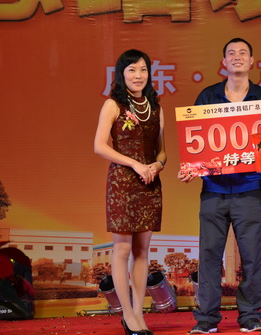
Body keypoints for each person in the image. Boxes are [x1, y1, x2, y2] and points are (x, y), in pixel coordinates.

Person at [179, 38, 261, 334]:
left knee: (251, 256)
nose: (237, 57)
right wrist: (191, 166)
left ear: (252, 61)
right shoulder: (207, 97)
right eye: (231, 53)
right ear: (223, 62)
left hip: (249, 188)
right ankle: (206, 319)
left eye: (243, 53)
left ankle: (250, 316)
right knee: (209, 255)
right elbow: (195, 139)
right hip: (214, 190)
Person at [94, 49, 166, 335]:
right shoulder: (113, 104)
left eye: (143, 69)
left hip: (149, 183)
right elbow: (99, 146)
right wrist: (135, 164)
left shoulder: (156, 107)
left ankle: (138, 313)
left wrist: (157, 165)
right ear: (121, 74)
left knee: (142, 251)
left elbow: (161, 150)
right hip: (122, 183)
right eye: (132, 70)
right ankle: (126, 313)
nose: (138, 75)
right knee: (122, 249)